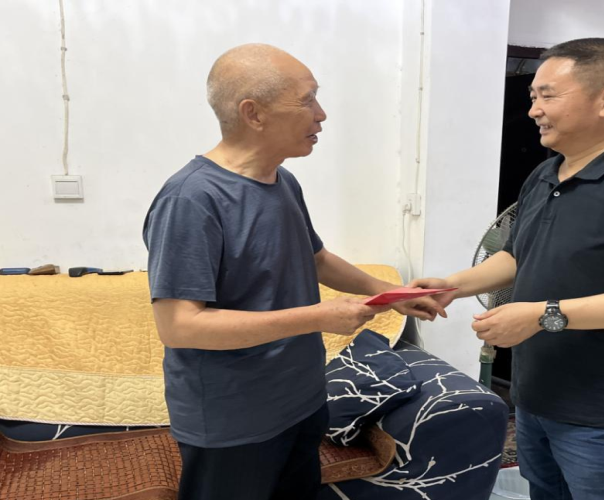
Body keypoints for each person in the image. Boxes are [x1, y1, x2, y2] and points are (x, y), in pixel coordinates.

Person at [142, 43, 444, 500]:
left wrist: (393, 293)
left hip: (301, 403)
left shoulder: (283, 181)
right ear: (253, 113)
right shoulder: (191, 199)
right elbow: (180, 326)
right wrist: (318, 317)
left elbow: (315, 258)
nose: (321, 114)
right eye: (307, 100)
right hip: (233, 421)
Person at [412, 38, 604, 500]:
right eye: (533, 96)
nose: (534, 110)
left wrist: (541, 315)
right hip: (538, 396)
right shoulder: (545, 174)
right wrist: (453, 285)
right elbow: (516, 256)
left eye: (547, 96)